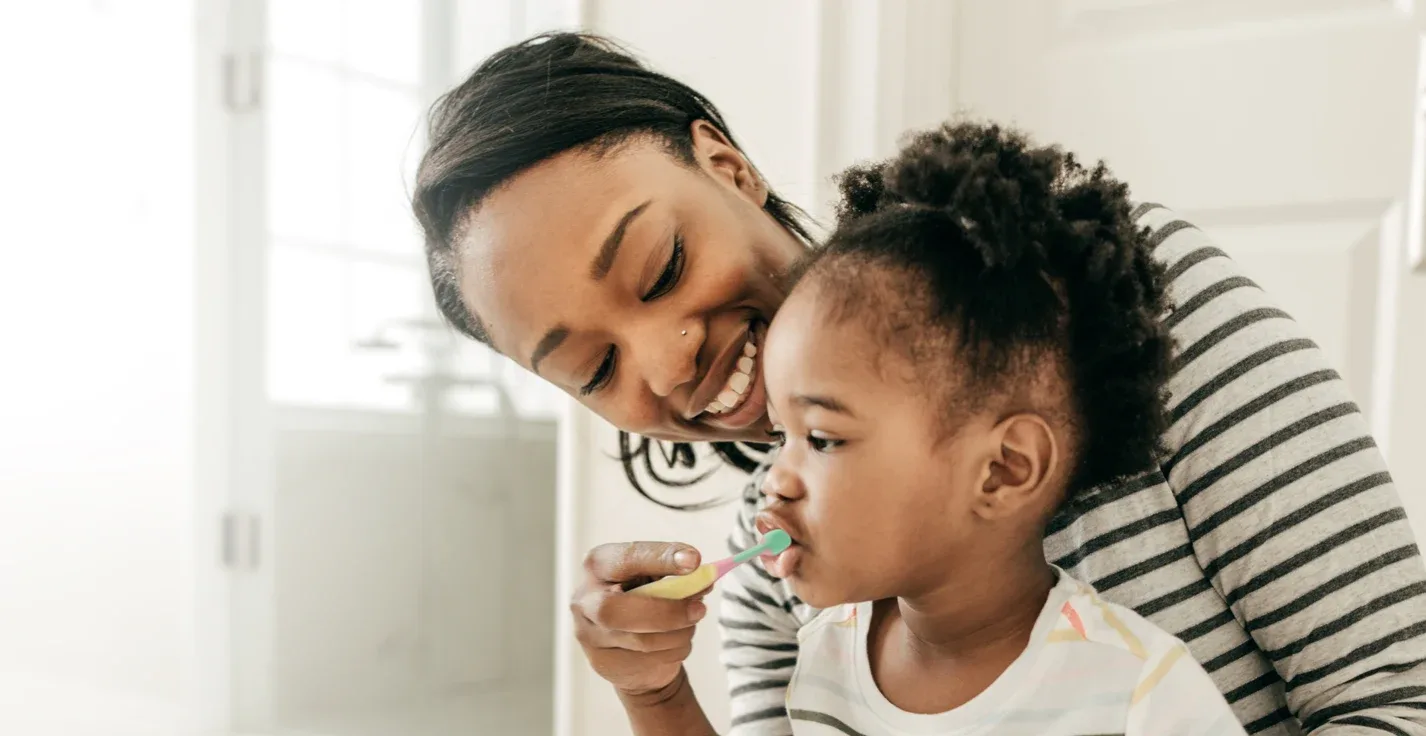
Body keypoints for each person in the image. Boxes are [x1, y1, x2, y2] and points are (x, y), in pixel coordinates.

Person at [412, 32, 1426, 735]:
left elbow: (1398, 695)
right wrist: (651, 690)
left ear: (725, 167)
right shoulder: (777, 576)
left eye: (661, 267)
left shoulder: (1115, 308)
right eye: (594, 367)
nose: (668, 359)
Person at [747, 119, 1246, 735]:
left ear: (1003, 469)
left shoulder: (1135, 692)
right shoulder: (824, 660)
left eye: (821, 439)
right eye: (780, 437)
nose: (776, 481)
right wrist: (655, 692)